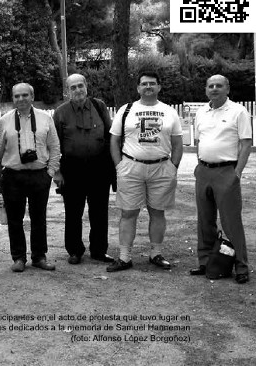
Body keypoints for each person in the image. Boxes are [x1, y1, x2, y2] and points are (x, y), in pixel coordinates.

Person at [107, 71, 183, 272]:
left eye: (152, 83)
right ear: (138, 88)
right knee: (128, 212)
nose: (148, 87)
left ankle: (155, 253)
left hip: (161, 167)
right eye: (144, 84)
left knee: (157, 212)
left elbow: (177, 142)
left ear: (159, 87)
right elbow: (114, 139)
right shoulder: (126, 110)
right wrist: (119, 165)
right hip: (131, 167)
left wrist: (173, 166)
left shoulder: (169, 111)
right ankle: (124, 257)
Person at [191, 74, 252, 284]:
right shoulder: (201, 112)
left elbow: (246, 144)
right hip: (204, 170)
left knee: (231, 221)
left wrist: (237, 173)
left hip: (227, 171)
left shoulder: (238, 111)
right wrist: (199, 166)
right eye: (210, 86)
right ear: (206, 90)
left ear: (227, 88)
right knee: (204, 220)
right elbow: (200, 140)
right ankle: (206, 261)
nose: (214, 88)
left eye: (219, 85)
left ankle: (241, 266)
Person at [0, 83, 60, 273]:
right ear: (13, 98)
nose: (21, 99)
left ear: (32, 96)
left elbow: (55, 147)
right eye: (17, 96)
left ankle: (39, 256)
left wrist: (50, 172)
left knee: (39, 218)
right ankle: (18, 258)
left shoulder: (45, 119)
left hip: (39, 175)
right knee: (15, 219)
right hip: (12, 176)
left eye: (25, 95)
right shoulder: (4, 121)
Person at [52, 74, 115, 265]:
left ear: (86, 86)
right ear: (67, 91)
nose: (78, 90)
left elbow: (110, 136)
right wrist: (57, 171)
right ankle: (74, 251)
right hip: (72, 168)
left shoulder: (99, 106)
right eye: (73, 87)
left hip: (99, 167)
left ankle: (98, 250)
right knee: (73, 212)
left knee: (99, 211)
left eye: (80, 86)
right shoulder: (61, 112)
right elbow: (54, 145)